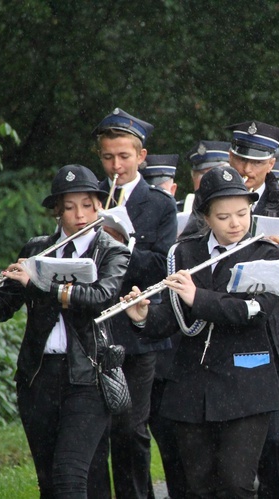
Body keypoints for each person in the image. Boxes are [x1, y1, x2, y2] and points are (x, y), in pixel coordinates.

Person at [123, 166, 279, 497]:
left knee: (236, 483)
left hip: (247, 385)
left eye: (242, 213)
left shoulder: (267, 253)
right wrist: (143, 316)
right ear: (205, 217)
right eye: (223, 217)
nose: (235, 224)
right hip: (191, 387)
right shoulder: (185, 252)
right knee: (197, 487)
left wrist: (199, 297)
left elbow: (252, 312)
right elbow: (173, 320)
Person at [0, 165, 130, 498]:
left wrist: (39, 284)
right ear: (57, 212)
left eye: (88, 205)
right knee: (49, 480)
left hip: (88, 376)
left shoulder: (112, 251)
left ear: (99, 206)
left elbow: (99, 298)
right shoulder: (36, 249)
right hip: (38, 376)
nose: (80, 215)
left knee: (70, 476)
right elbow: (4, 307)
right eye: (69, 207)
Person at [89, 108, 178, 499]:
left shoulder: (159, 205)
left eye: (124, 157)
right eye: (108, 157)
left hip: (137, 333)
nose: (115, 166)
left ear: (142, 156)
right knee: (93, 431)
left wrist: (123, 244)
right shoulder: (87, 199)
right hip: (92, 330)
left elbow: (161, 265)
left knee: (130, 429)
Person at [226, 120, 279, 498]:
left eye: (256, 162)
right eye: (241, 159)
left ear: (271, 163)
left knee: (276, 435)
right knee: (234, 436)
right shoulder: (214, 197)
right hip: (228, 330)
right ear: (230, 156)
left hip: (273, 335)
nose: (246, 170)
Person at [139, 153, 187, 498]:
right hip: (141, 336)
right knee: (141, 432)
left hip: (174, 344)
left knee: (176, 436)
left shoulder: (182, 218)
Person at [178, 140, 234, 239]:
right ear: (193, 178)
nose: (208, 179)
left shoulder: (244, 205)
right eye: (202, 174)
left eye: (215, 172)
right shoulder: (177, 211)